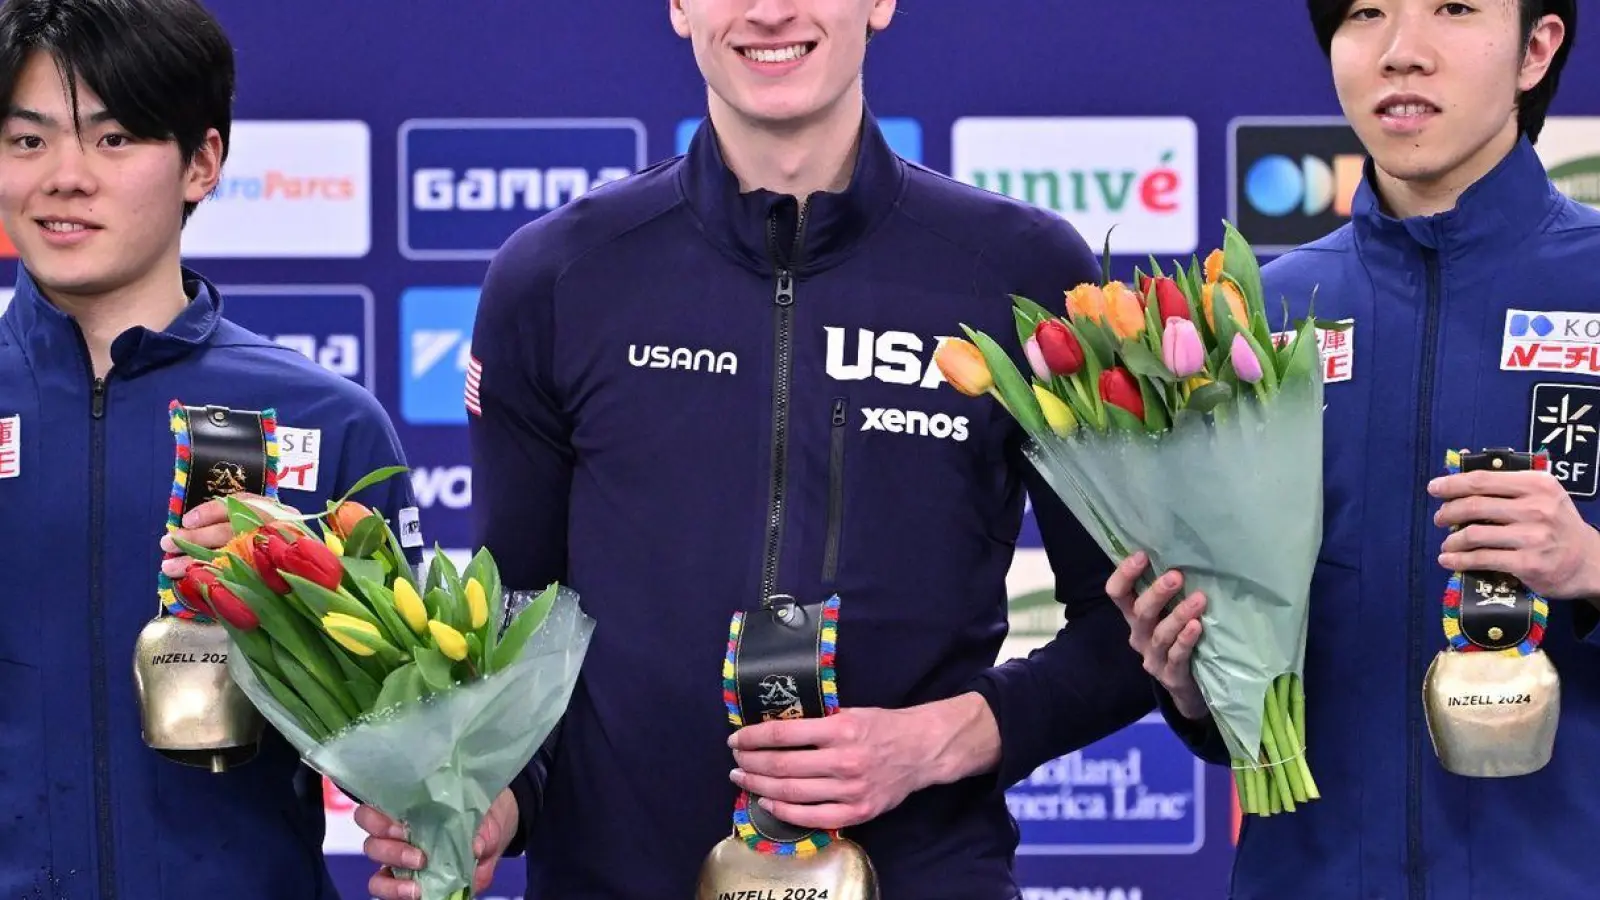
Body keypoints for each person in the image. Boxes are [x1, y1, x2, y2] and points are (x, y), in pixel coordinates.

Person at [355, 1, 1158, 897]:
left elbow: (1133, 633)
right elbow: (517, 624)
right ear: (680, 6)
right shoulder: (557, 277)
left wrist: (941, 740)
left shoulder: (1021, 272)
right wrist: (497, 796)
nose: (770, 11)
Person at [1113, 0, 1600, 896]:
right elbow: (1243, 708)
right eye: (1368, 13)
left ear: (1536, 49)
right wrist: (1188, 676)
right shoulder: (1253, 317)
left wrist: (1592, 564)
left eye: (1454, 9)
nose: (1402, 53)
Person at [0, 1, 425, 897]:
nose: (64, 178)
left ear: (202, 161)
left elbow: (413, 753)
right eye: (27, 141)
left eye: (113, 140)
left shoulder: (328, 422)